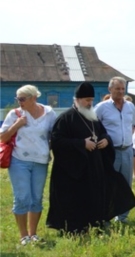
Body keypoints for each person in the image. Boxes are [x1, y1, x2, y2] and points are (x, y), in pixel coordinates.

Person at [47, 82, 135, 233]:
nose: (90, 103)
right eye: (86, 100)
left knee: (95, 195)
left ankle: (95, 223)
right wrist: (82, 143)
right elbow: (57, 141)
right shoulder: (65, 118)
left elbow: (102, 132)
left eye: (91, 100)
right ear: (77, 99)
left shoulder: (92, 116)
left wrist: (106, 139)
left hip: (93, 166)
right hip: (73, 170)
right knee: (76, 198)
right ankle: (74, 227)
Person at [1, 85, 57, 245]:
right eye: (17, 99)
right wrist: (17, 125)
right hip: (19, 160)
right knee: (22, 197)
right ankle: (23, 236)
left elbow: (55, 134)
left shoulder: (48, 113)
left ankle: (33, 234)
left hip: (41, 161)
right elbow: (3, 137)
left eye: (22, 99)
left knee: (36, 199)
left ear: (34, 98)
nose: (19, 102)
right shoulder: (15, 114)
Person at [95, 76, 135, 223]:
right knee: (108, 183)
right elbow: (94, 128)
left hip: (127, 150)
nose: (120, 91)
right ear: (110, 89)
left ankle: (122, 217)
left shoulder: (130, 107)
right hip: (109, 152)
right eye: (117, 88)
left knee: (126, 184)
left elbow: (132, 125)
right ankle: (105, 217)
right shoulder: (101, 107)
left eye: (122, 89)